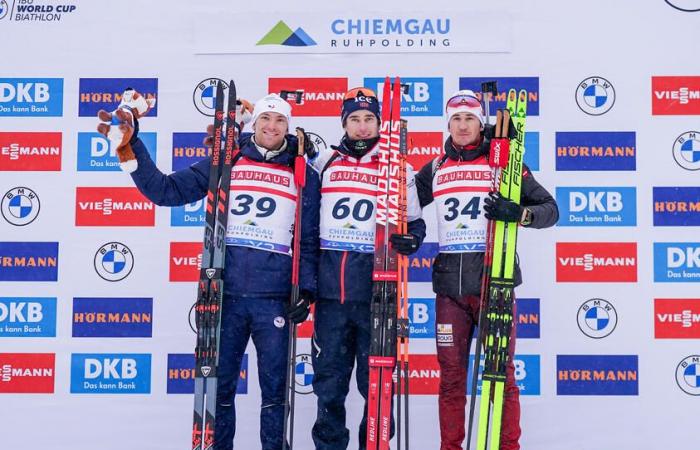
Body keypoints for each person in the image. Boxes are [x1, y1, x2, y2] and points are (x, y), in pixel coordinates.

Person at [97, 90, 320, 450]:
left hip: (274, 299)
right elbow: (166, 191)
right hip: (225, 295)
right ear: (255, 122)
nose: (272, 126)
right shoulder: (225, 161)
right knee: (219, 392)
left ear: (288, 126)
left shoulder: (301, 171)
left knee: (276, 395)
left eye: (280, 120)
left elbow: (309, 239)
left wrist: (306, 290)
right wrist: (133, 146)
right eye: (266, 118)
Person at [414, 90, 558, 450]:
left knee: (500, 375)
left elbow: (550, 209)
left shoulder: (505, 164)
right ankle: (451, 446)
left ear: (481, 123)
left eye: (470, 119)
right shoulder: (435, 168)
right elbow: (405, 209)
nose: (463, 126)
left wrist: (520, 213)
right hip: (450, 289)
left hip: (495, 282)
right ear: (447, 124)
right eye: (456, 119)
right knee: (450, 378)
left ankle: (508, 446)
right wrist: (407, 235)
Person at [310, 87, 426, 450]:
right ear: (344, 123)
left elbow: (415, 223)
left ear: (379, 123)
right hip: (331, 296)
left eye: (369, 119)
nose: (362, 127)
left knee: (377, 386)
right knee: (329, 384)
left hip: (378, 294)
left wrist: (412, 240)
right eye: (354, 120)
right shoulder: (324, 163)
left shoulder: (398, 168)